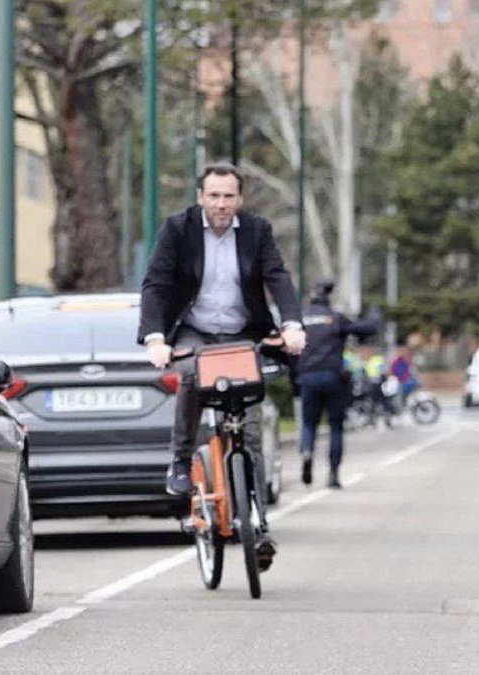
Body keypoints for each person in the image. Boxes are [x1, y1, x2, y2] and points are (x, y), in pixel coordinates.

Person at [139, 162, 306, 568]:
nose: (221, 204)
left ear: (240, 199)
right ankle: (180, 460)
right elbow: (157, 283)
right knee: (194, 373)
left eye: (229, 196)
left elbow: (278, 277)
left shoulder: (256, 231)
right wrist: (155, 337)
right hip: (194, 330)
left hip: (241, 331)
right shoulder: (178, 229)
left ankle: (258, 524)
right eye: (213, 196)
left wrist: (292, 325)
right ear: (200, 197)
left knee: (249, 431)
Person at [297, 280, 378, 488]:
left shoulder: (301, 319)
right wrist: (374, 313)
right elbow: (366, 329)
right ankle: (333, 473)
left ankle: (307, 452)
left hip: (307, 376)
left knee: (308, 424)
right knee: (335, 427)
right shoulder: (335, 317)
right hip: (333, 376)